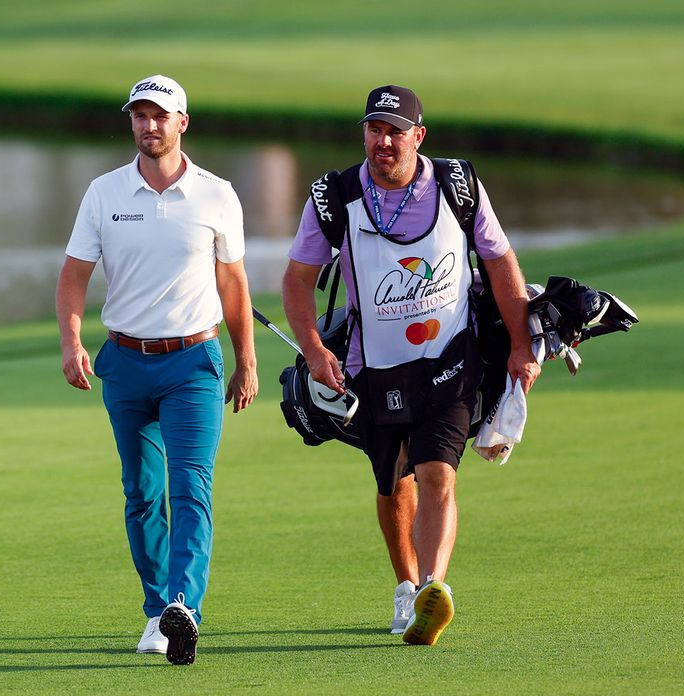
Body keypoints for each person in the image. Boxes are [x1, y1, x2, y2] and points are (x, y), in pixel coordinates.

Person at [281, 85, 539, 645]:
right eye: (374, 129)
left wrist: (520, 344)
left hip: (450, 361)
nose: (383, 140)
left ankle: (431, 589)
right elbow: (297, 282)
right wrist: (314, 350)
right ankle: (405, 585)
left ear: (418, 136)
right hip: (372, 368)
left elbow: (499, 262)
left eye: (396, 130)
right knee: (393, 483)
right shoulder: (334, 196)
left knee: (437, 474)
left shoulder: (458, 185)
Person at [55, 75, 258, 665]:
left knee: (189, 487)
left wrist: (246, 361)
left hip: (194, 362)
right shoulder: (104, 193)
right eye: (139, 116)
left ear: (182, 123)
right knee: (141, 494)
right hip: (125, 363)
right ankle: (156, 612)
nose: (149, 126)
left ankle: (183, 608)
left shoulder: (217, 194)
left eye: (160, 116)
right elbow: (73, 274)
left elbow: (233, 282)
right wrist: (72, 342)